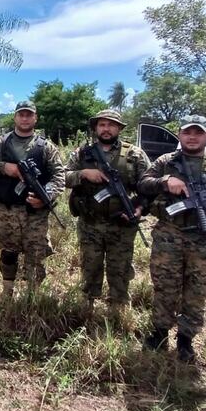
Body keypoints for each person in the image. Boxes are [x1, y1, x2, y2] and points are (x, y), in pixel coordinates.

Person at [138, 114, 206, 362]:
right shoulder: (167, 161)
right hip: (169, 235)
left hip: (204, 238)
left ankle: (186, 340)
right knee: (164, 287)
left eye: (198, 132)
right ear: (180, 134)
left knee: (196, 291)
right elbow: (143, 183)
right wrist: (166, 181)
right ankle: (159, 333)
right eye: (187, 132)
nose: (192, 137)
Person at [64, 109, 150, 318]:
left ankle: (117, 312)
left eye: (111, 125)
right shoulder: (82, 153)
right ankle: (87, 309)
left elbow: (149, 187)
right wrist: (83, 173)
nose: (106, 128)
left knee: (120, 270)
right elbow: (63, 177)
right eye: (102, 124)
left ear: (119, 129)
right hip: (90, 223)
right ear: (96, 128)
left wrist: (139, 209)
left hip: (121, 226)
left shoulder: (134, 154)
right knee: (90, 266)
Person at [0, 101, 65, 298]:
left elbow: (59, 175)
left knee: (36, 256)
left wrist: (46, 196)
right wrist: (4, 168)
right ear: (15, 117)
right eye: (21, 114)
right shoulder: (0, 143)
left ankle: (32, 296)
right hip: (7, 212)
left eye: (29, 115)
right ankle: (7, 292)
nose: (25, 118)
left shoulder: (46, 147)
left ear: (35, 118)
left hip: (35, 213)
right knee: (8, 253)